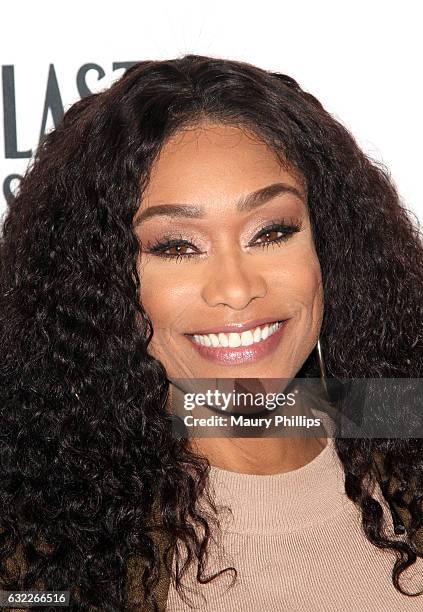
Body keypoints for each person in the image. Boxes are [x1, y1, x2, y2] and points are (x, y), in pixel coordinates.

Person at [0, 54, 422, 611]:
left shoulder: (400, 424)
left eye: (271, 232)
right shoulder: (50, 551)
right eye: (176, 246)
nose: (236, 286)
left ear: (331, 247)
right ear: (98, 284)